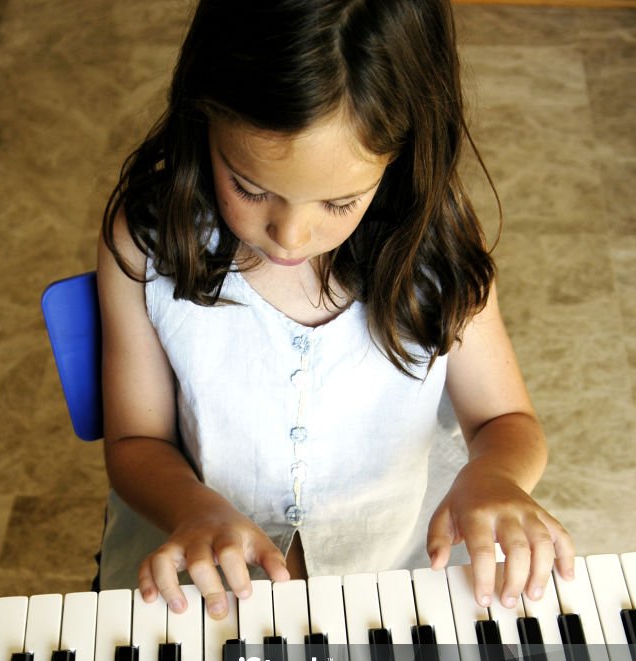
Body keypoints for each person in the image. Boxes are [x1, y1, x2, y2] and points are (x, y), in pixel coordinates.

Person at [97, 0, 574, 622]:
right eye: (250, 187)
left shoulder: (433, 246)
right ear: (204, 113)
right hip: (196, 563)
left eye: (340, 201)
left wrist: (497, 478)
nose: (291, 236)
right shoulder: (150, 240)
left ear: (400, 156)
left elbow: (506, 419)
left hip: (395, 571)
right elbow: (137, 440)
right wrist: (193, 507)